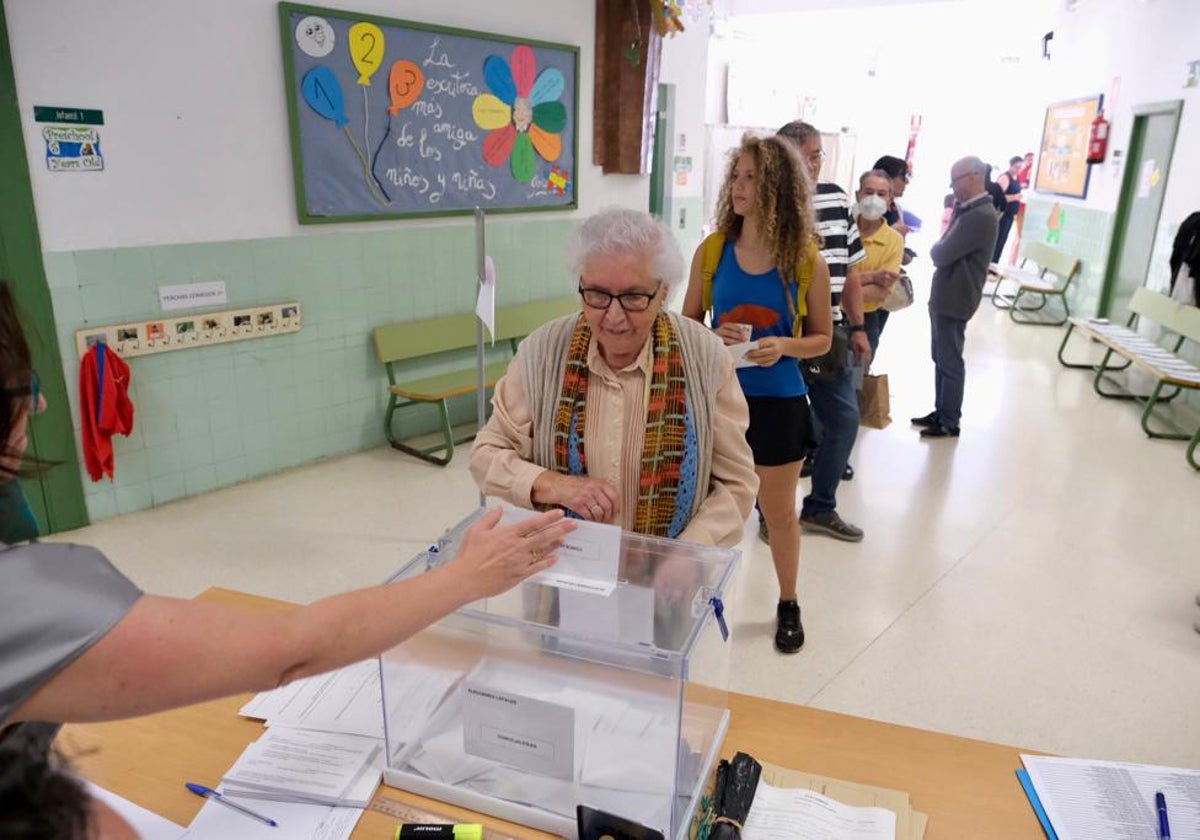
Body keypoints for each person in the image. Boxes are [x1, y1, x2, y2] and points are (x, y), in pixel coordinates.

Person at [0, 276, 575, 792]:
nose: (43, 401)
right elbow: (287, 650)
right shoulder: (26, 602)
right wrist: (465, 578)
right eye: (26, 385)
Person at [469, 206, 759, 550]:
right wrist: (556, 485)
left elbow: (737, 484)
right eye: (597, 295)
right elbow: (485, 456)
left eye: (634, 297)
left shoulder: (705, 357)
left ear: (664, 290)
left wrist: (687, 551)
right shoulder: (543, 353)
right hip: (565, 565)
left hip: (669, 576)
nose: (614, 316)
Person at [682, 134, 832, 653]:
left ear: (777, 188)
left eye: (752, 178)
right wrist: (710, 336)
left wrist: (782, 345)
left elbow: (823, 338)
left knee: (778, 512)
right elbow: (685, 325)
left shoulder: (807, 261)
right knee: (704, 509)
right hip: (717, 402)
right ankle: (693, 599)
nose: (739, 187)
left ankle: (788, 601)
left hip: (778, 403)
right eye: (737, 176)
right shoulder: (713, 251)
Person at [775, 121, 869, 544]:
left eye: (818, 155)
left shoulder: (835, 198)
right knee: (779, 428)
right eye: (808, 155)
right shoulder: (768, 202)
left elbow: (849, 271)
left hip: (828, 331)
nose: (815, 164)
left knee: (845, 421)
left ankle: (820, 507)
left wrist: (859, 326)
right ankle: (770, 513)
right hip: (780, 335)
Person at [911, 157, 998, 439]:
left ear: (972, 177)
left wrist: (938, 247)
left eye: (955, 181)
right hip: (947, 294)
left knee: (950, 360)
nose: (953, 188)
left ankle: (950, 420)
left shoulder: (979, 215)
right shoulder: (969, 210)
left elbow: (941, 253)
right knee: (941, 356)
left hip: (956, 297)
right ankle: (941, 410)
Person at [854, 170, 906, 362]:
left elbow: (879, 293)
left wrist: (836, 288)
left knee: (853, 385)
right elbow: (823, 281)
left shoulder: (894, 241)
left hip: (866, 321)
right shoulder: (841, 230)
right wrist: (871, 277)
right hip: (826, 316)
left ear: (890, 199)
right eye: (869, 192)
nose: (874, 199)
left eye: (881, 194)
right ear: (858, 195)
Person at [993, 156, 1024, 262]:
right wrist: (1015, 197)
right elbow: (998, 197)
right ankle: (990, 265)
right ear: (1011, 165)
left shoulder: (1017, 178)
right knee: (997, 240)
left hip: (1010, 215)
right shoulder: (1005, 178)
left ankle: (994, 264)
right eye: (1016, 167)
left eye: (1020, 167)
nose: (1018, 170)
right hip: (1002, 214)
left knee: (1002, 241)